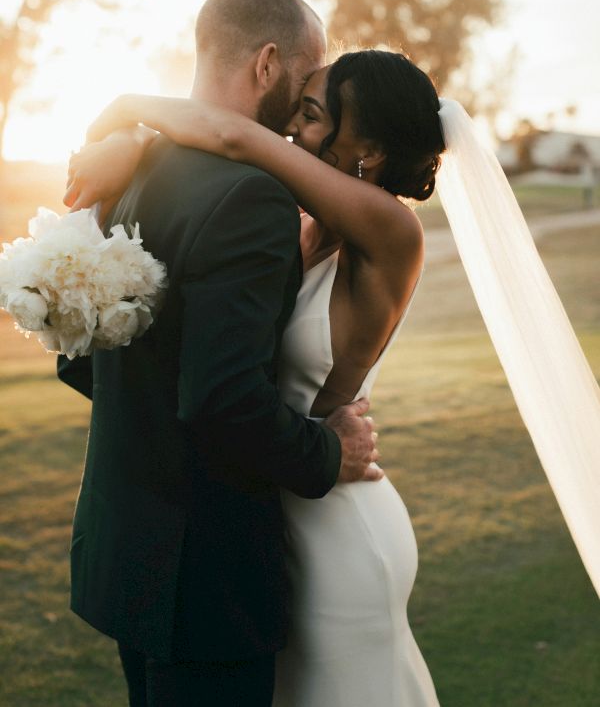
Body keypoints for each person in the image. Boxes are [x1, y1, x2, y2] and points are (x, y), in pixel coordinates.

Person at [66, 48, 444, 705]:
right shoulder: (301, 228)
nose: (294, 129)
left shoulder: (392, 232)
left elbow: (234, 134)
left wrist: (126, 113)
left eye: (313, 114)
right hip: (274, 507)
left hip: (336, 517)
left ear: (373, 151)